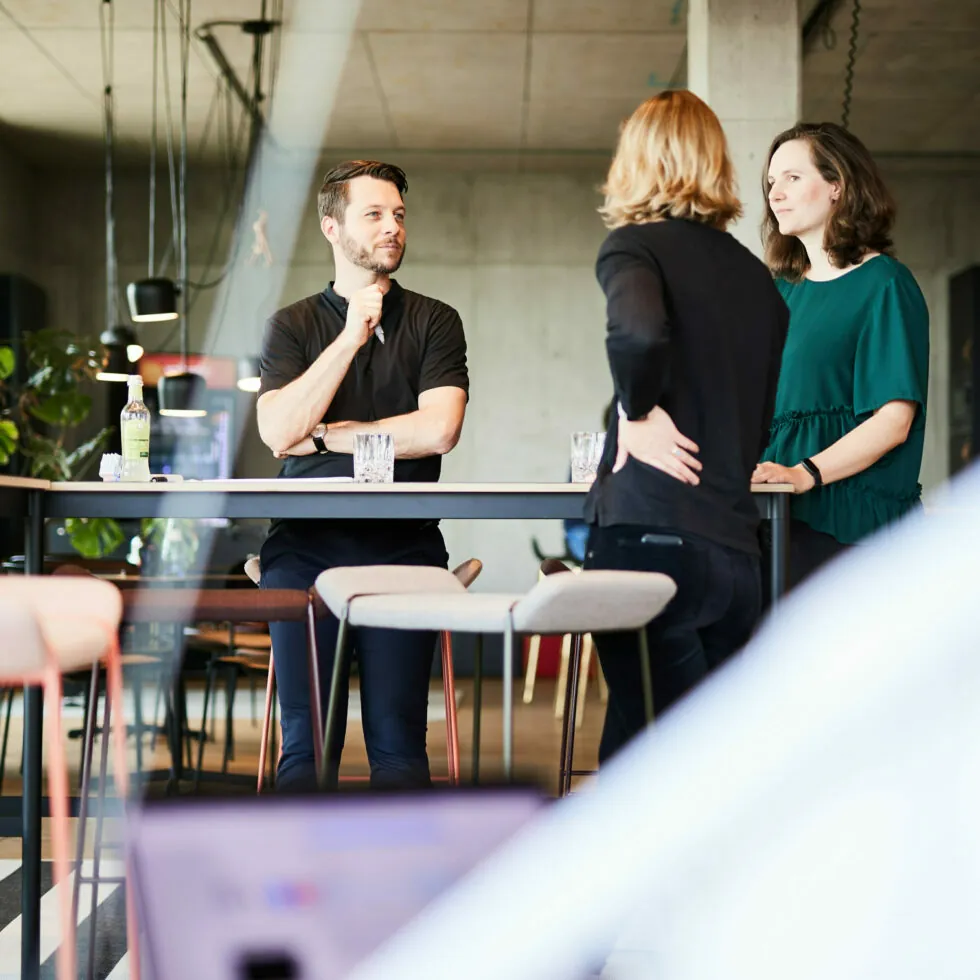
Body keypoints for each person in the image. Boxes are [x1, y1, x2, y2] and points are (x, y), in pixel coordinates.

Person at [582, 91, 789, 763]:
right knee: (695, 761)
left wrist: (634, 413)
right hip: (737, 556)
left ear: (636, 160)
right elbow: (757, 413)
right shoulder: (759, 279)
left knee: (648, 760)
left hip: (653, 542)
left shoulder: (633, 248)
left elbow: (639, 333)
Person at [256, 160, 468, 790]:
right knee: (306, 749)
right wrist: (350, 337)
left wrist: (326, 434)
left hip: (404, 550)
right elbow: (275, 432)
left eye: (399, 215)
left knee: (400, 749)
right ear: (332, 227)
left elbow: (439, 430)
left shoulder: (435, 320)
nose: (392, 228)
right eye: (374, 214)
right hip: (304, 552)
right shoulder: (292, 326)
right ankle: (301, 887)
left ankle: (404, 889)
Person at [752, 123, 929, 589]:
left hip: (850, 528)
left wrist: (804, 473)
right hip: (777, 514)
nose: (776, 193)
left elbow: (894, 421)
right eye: (771, 182)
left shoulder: (885, 283)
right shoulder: (782, 292)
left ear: (837, 186)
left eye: (792, 177)